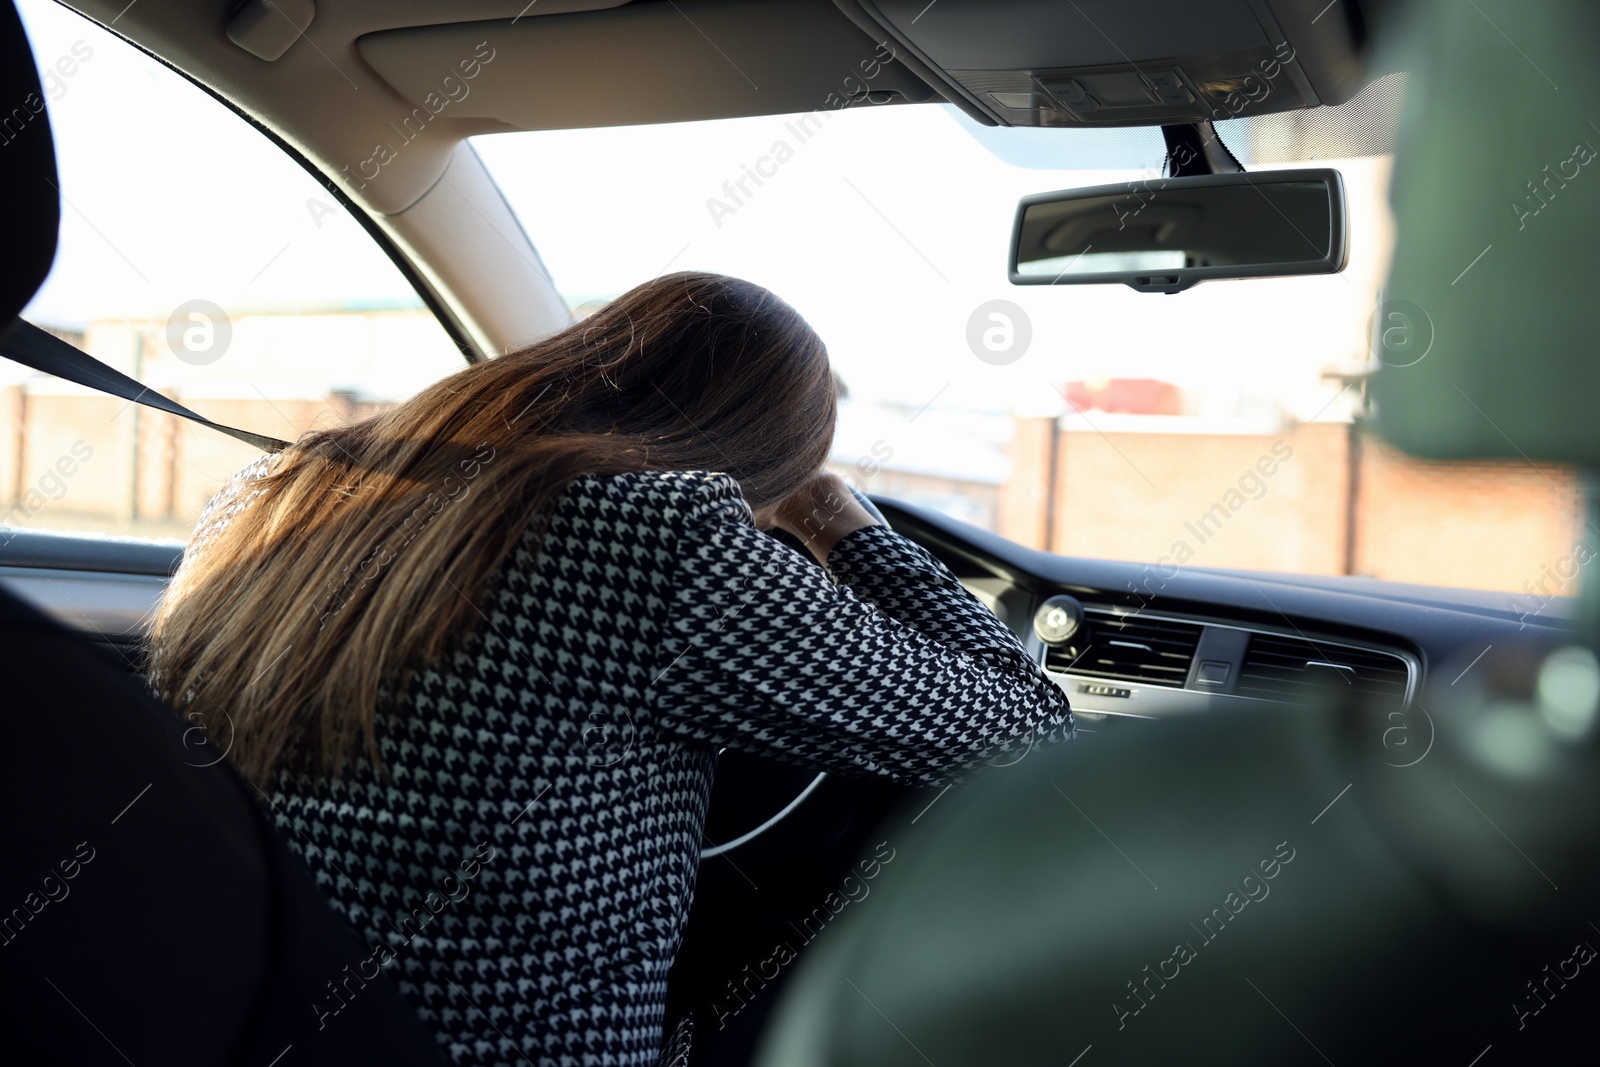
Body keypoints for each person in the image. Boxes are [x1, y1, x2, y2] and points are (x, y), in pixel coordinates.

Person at [146, 271, 1073, 1067]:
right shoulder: (663, 537)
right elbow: (1027, 733)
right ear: (770, 455)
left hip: (213, 1021)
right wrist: (838, 520)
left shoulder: (270, 490)